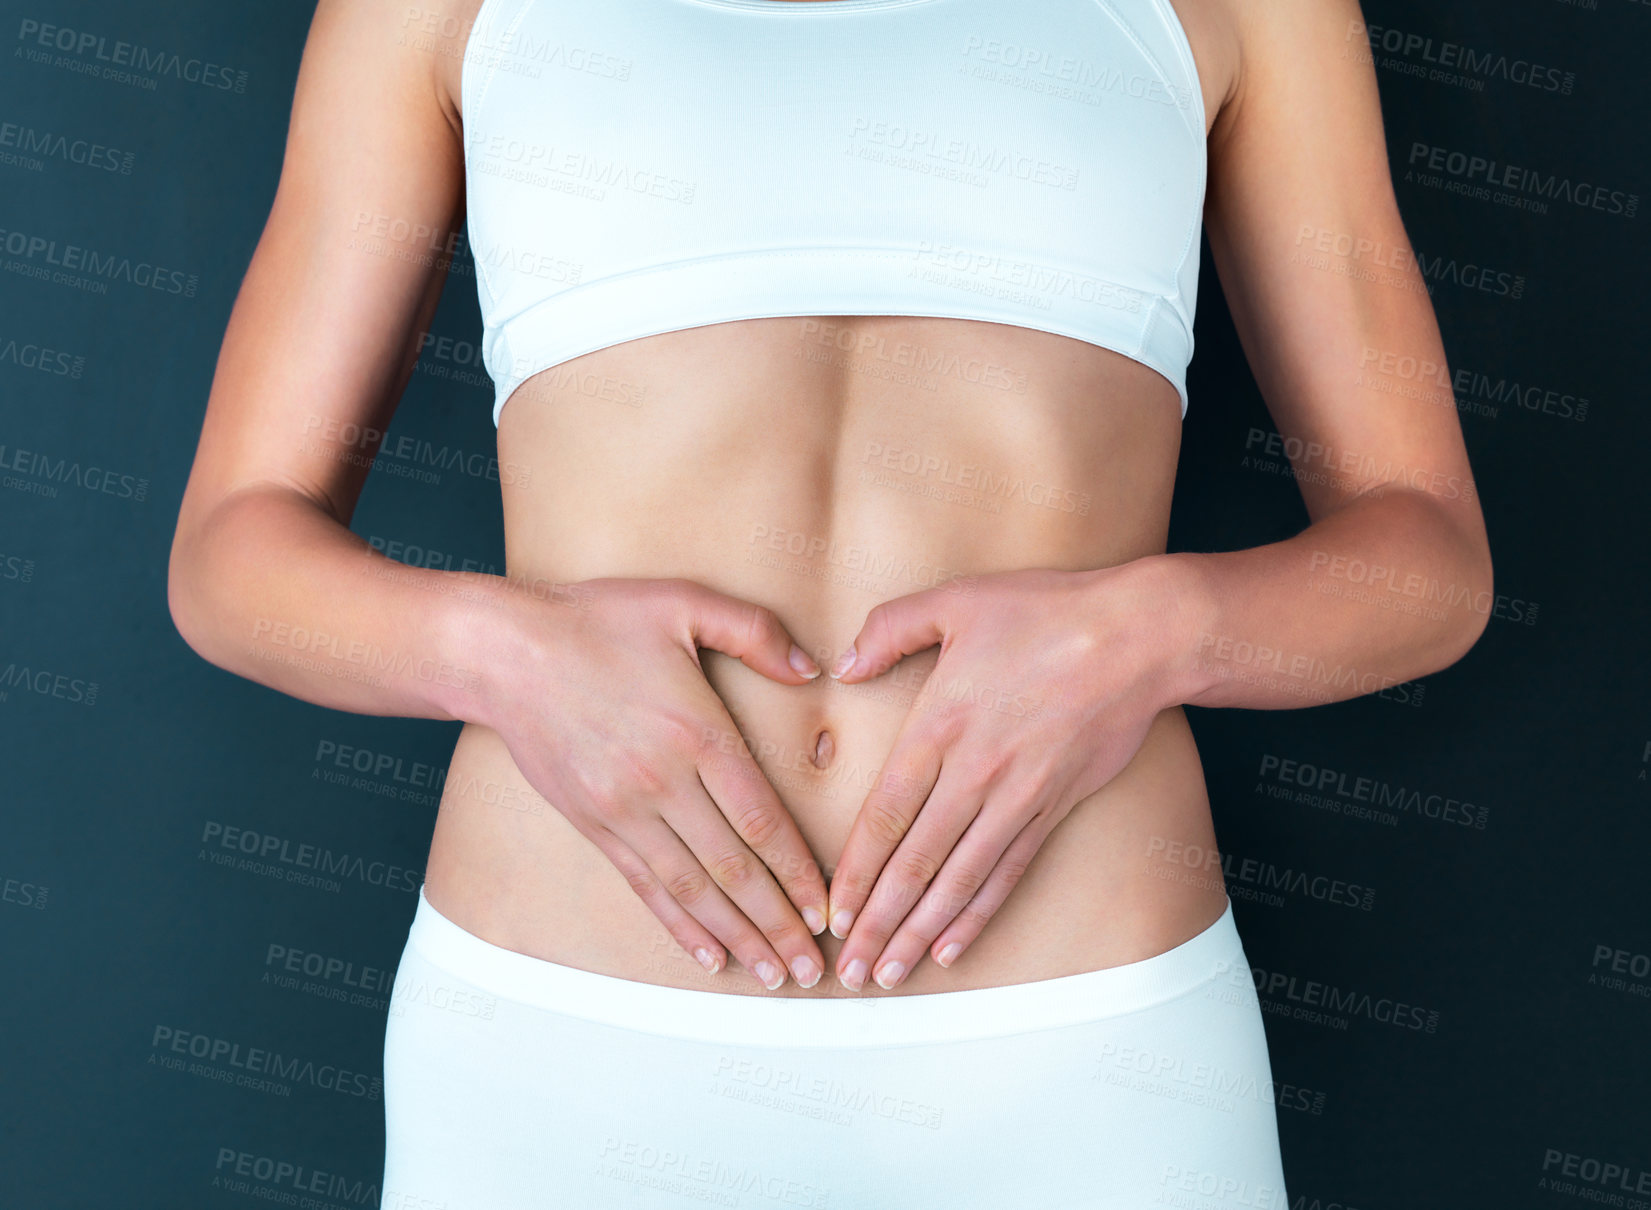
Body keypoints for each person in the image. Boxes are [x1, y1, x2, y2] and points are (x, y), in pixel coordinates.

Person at [168, 0, 1492, 1204]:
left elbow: (1427, 558)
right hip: (564, 1040)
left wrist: (1153, 631)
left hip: (1082, 1052)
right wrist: (498, 654)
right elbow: (232, 555)